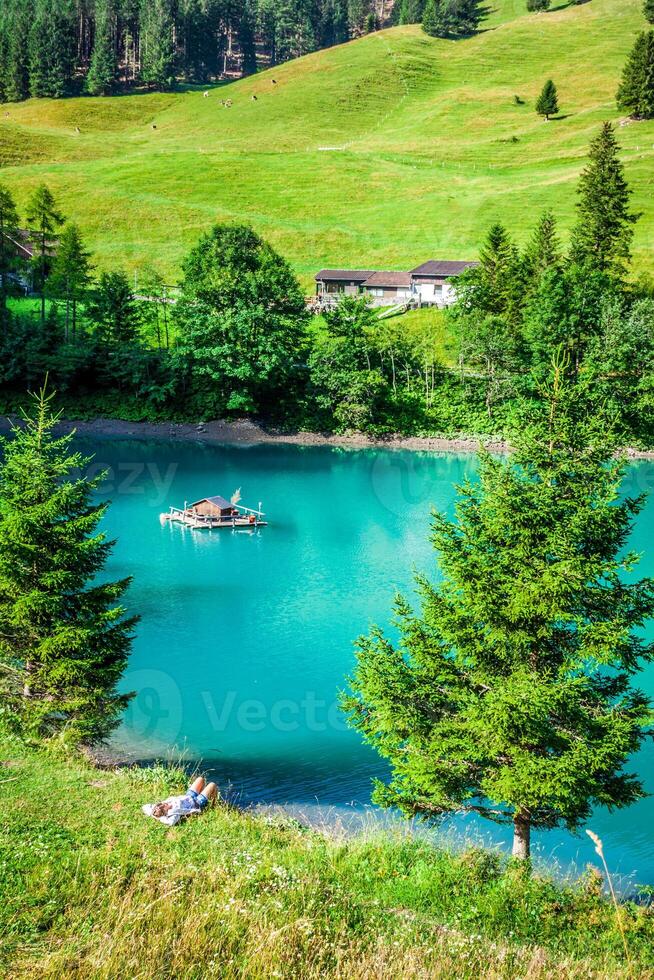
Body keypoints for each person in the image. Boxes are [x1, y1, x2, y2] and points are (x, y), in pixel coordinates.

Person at [142, 776, 217, 826]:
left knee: (200, 779)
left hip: (189, 795)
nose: (163, 803)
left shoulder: (159, 806)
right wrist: (160, 818)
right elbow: (171, 822)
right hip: (197, 802)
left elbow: (144, 807)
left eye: (160, 804)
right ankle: (214, 805)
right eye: (164, 806)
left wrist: (153, 813)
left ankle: (204, 795)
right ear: (165, 811)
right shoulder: (174, 812)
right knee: (212, 784)